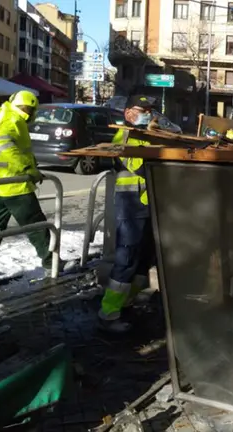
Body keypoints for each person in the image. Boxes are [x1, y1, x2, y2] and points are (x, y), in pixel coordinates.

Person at [0, 90, 66, 290]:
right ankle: (52, 262)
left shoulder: (0, 114)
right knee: (38, 227)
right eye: (30, 110)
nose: (30, 114)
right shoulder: (11, 119)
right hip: (14, 185)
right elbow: (6, 148)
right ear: (30, 110)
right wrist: (29, 169)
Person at [98, 95, 157, 333]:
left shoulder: (149, 136)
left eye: (150, 110)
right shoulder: (124, 136)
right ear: (127, 113)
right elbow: (141, 166)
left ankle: (127, 301)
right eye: (142, 110)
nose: (147, 113)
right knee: (127, 259)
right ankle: (109, 312)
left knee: (144, 259)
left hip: (148, 204)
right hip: (131, 205)